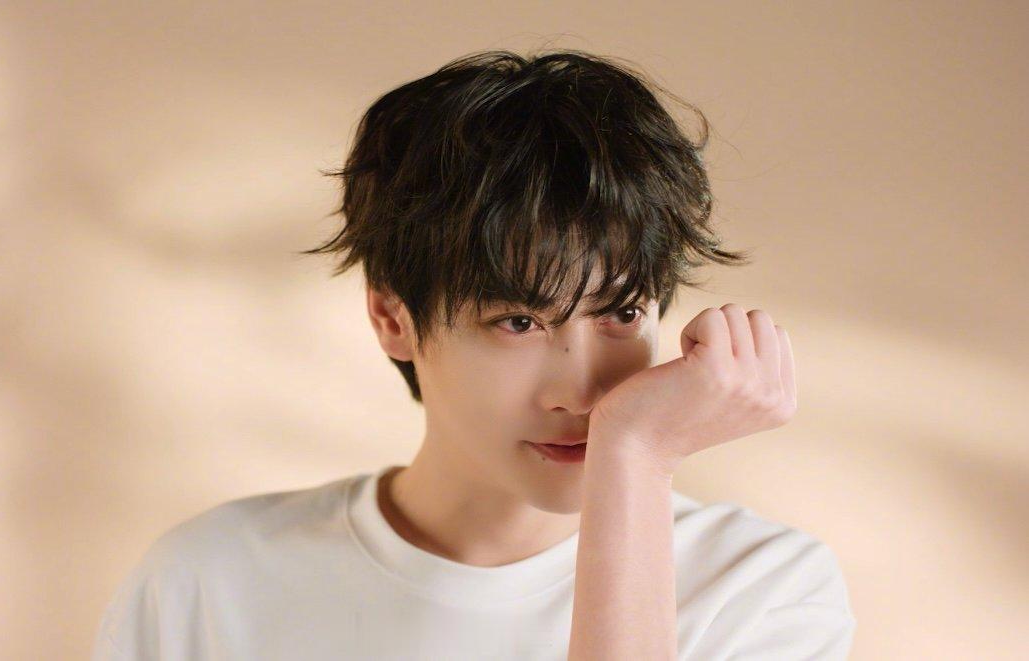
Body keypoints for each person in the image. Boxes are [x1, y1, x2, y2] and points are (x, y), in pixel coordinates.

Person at [91, 48, 856, 660]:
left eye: (621, 312)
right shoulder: (213, 577)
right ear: (392, 318)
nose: (581, 392)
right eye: (518, 321)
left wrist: (634, 460)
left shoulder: (758, 585)